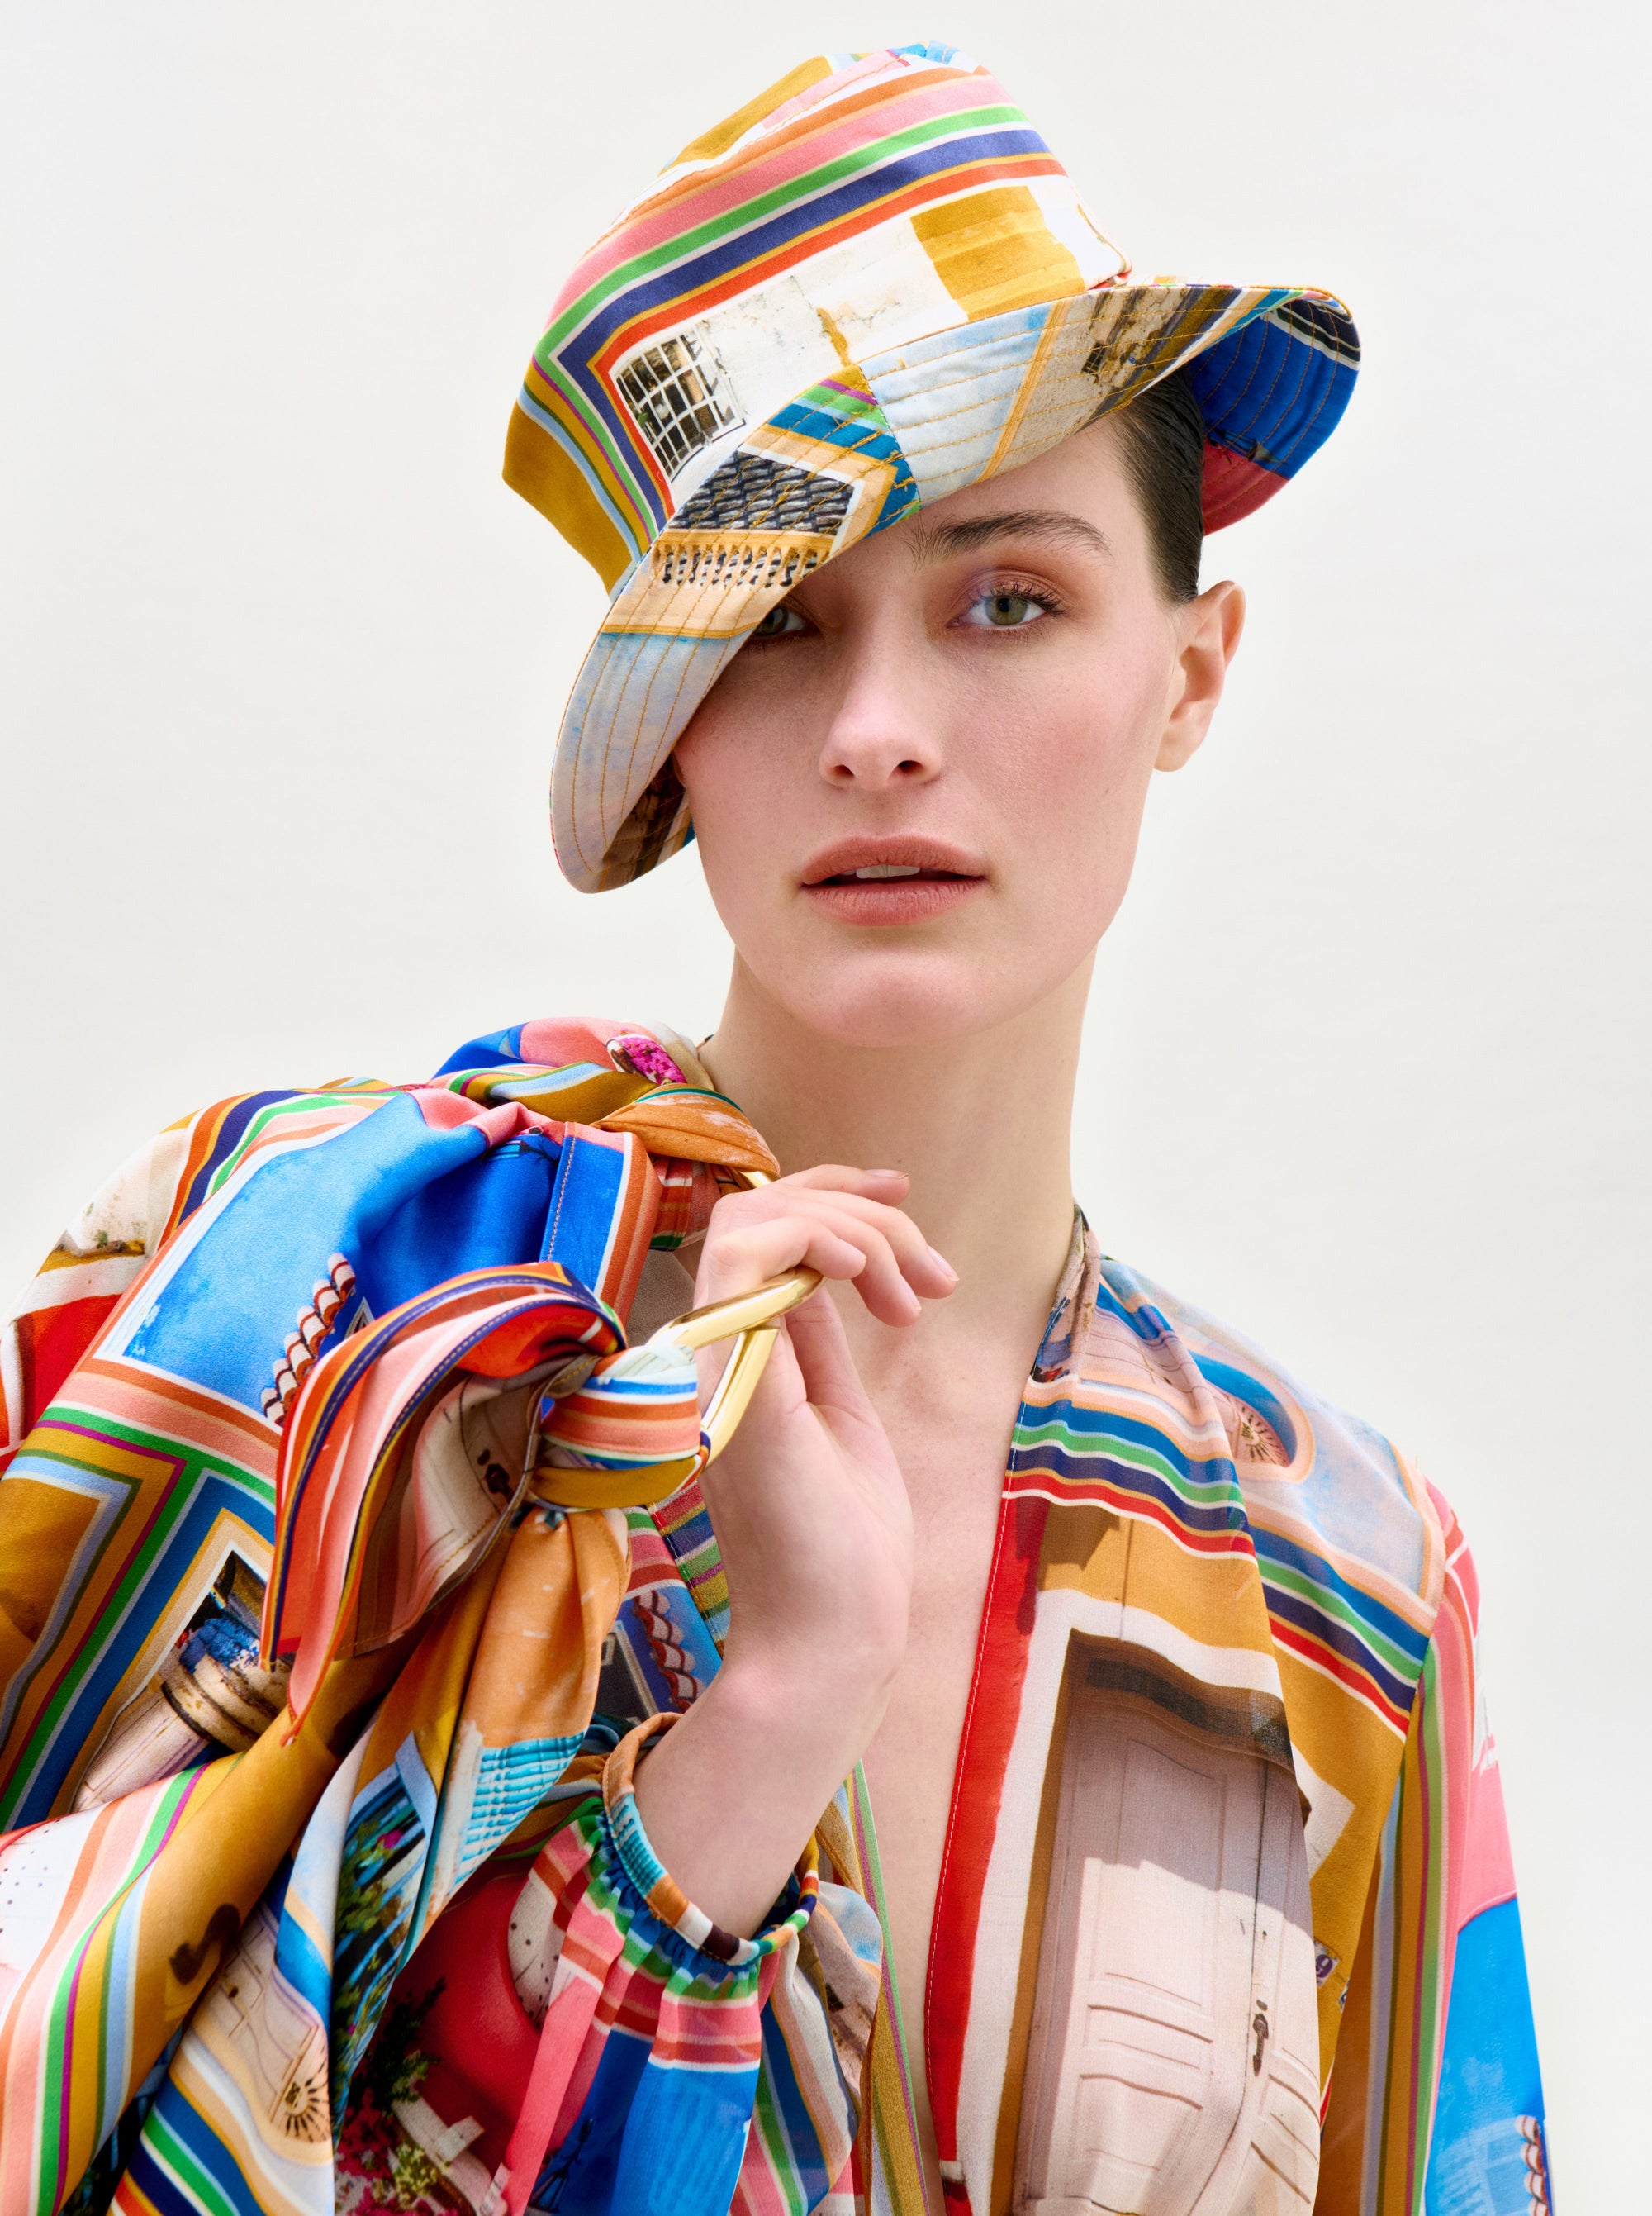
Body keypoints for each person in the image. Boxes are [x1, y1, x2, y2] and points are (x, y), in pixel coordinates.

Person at [0, 42, 1550, 2216]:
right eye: (780, 627)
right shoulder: (344, 1333)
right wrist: (744, 1745)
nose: (888, 731)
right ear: (676, 743)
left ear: (1192, 668)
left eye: (1009, 597)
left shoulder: (1344, 1583)